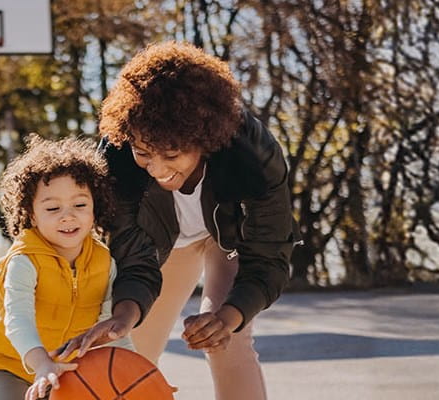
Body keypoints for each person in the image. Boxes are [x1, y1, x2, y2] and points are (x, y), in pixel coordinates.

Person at [55, 41, 297, 400]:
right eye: (144, 153)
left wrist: (229, 316)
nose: (157, 169)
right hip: (162, 245)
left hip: (228, 241)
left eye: (172, 154)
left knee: (226, 337)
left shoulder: (253, 155)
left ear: (205, 139)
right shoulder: (117, 160)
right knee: (130, 349)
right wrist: (124, 313)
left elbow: (269, 255)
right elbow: (130, 251)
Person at [0, 137, 133, 400]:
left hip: (63, 364)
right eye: (53, 208)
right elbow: (17, 320)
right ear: (31, 214)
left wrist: (139, 376)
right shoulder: (24, 260)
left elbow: (109, 328)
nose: (67, 216)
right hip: (8, 363)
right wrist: (41, 363)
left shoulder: (104, 262)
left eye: (80, 205)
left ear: (95, 207)